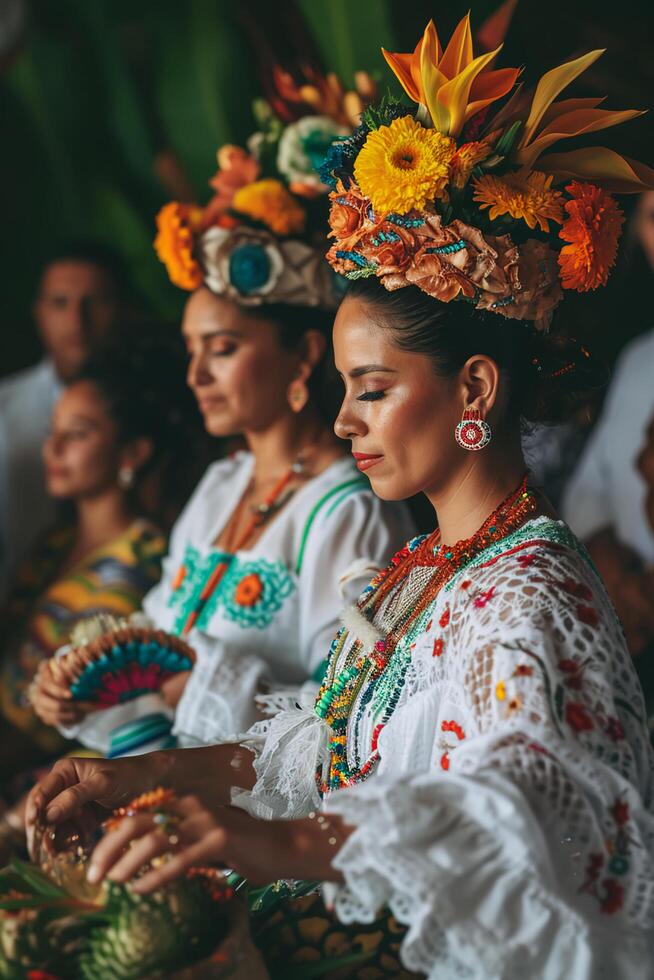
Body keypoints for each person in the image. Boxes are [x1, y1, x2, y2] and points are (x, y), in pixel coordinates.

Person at [27, 16, 654, 979]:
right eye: (347, 391)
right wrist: (141, 775)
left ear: (474, 392)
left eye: (372, 389)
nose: (348, 422)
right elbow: (324, 751)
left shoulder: (527, 596)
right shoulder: (422, 574)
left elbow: (511, 807)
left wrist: (265, 845)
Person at [30, 79, 414, 758]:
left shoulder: (348, 511)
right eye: (191, 351)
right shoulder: (220, 487)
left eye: (224, 350)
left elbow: (358, 722)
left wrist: (200, 682)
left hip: (260, 840)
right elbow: (152, 640)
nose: (196, 376)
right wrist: (87, 683)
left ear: (301, 357)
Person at [0, 349, 178, 783]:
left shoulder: (141, 563)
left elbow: (70, 717)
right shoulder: (55, 541)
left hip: (44, 767)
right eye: (51, 432)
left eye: (76, 435)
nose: (53, 449)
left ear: (132, 452)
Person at [0, 242, 124, 602]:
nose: (76, 321)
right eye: (59, 303)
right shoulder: (3, 409)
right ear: (38, 312)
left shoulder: (151, 412)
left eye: (95, 302)